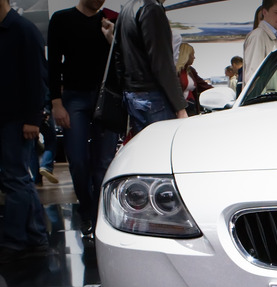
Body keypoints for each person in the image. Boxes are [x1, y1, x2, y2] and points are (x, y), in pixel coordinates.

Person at [47, 0, 119, 235]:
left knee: (102, 163)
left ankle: (99, 217)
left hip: (105, 97)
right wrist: (56, 101)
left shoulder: (111, 20)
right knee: (77, 160)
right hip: (74, 97)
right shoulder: (61, 19)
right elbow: (54, 62)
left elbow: (121, 61)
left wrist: (111, 39)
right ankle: (87, 210)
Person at [0, 0, 50, 263]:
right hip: (8, 118)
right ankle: (36, 236)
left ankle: (14, 241)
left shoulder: (23, 29)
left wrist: (33, 119)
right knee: (18, 178)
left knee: (16, 179)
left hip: (18, 120)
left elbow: (37, 77)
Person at [115, 0, 187, 137]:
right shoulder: (151, 8)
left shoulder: (127, 8)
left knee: (147, 149)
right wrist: (180, 107)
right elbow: (162, 63)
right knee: (162, 148)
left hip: (133, 94)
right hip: (153, 96)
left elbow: (118, 56)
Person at [243, 0, 277, 82]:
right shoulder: (258, 36)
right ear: (265, 12)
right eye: (276, 13)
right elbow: (253, 75)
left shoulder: (273, 37)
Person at [176, 42, 213, 116]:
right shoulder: (175, 71)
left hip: (191, 108)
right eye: (192, 54)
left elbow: (202, 85)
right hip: (180, 110)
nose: (194, 57)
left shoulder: (190, 71)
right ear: (186, 55)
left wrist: (217, 92)